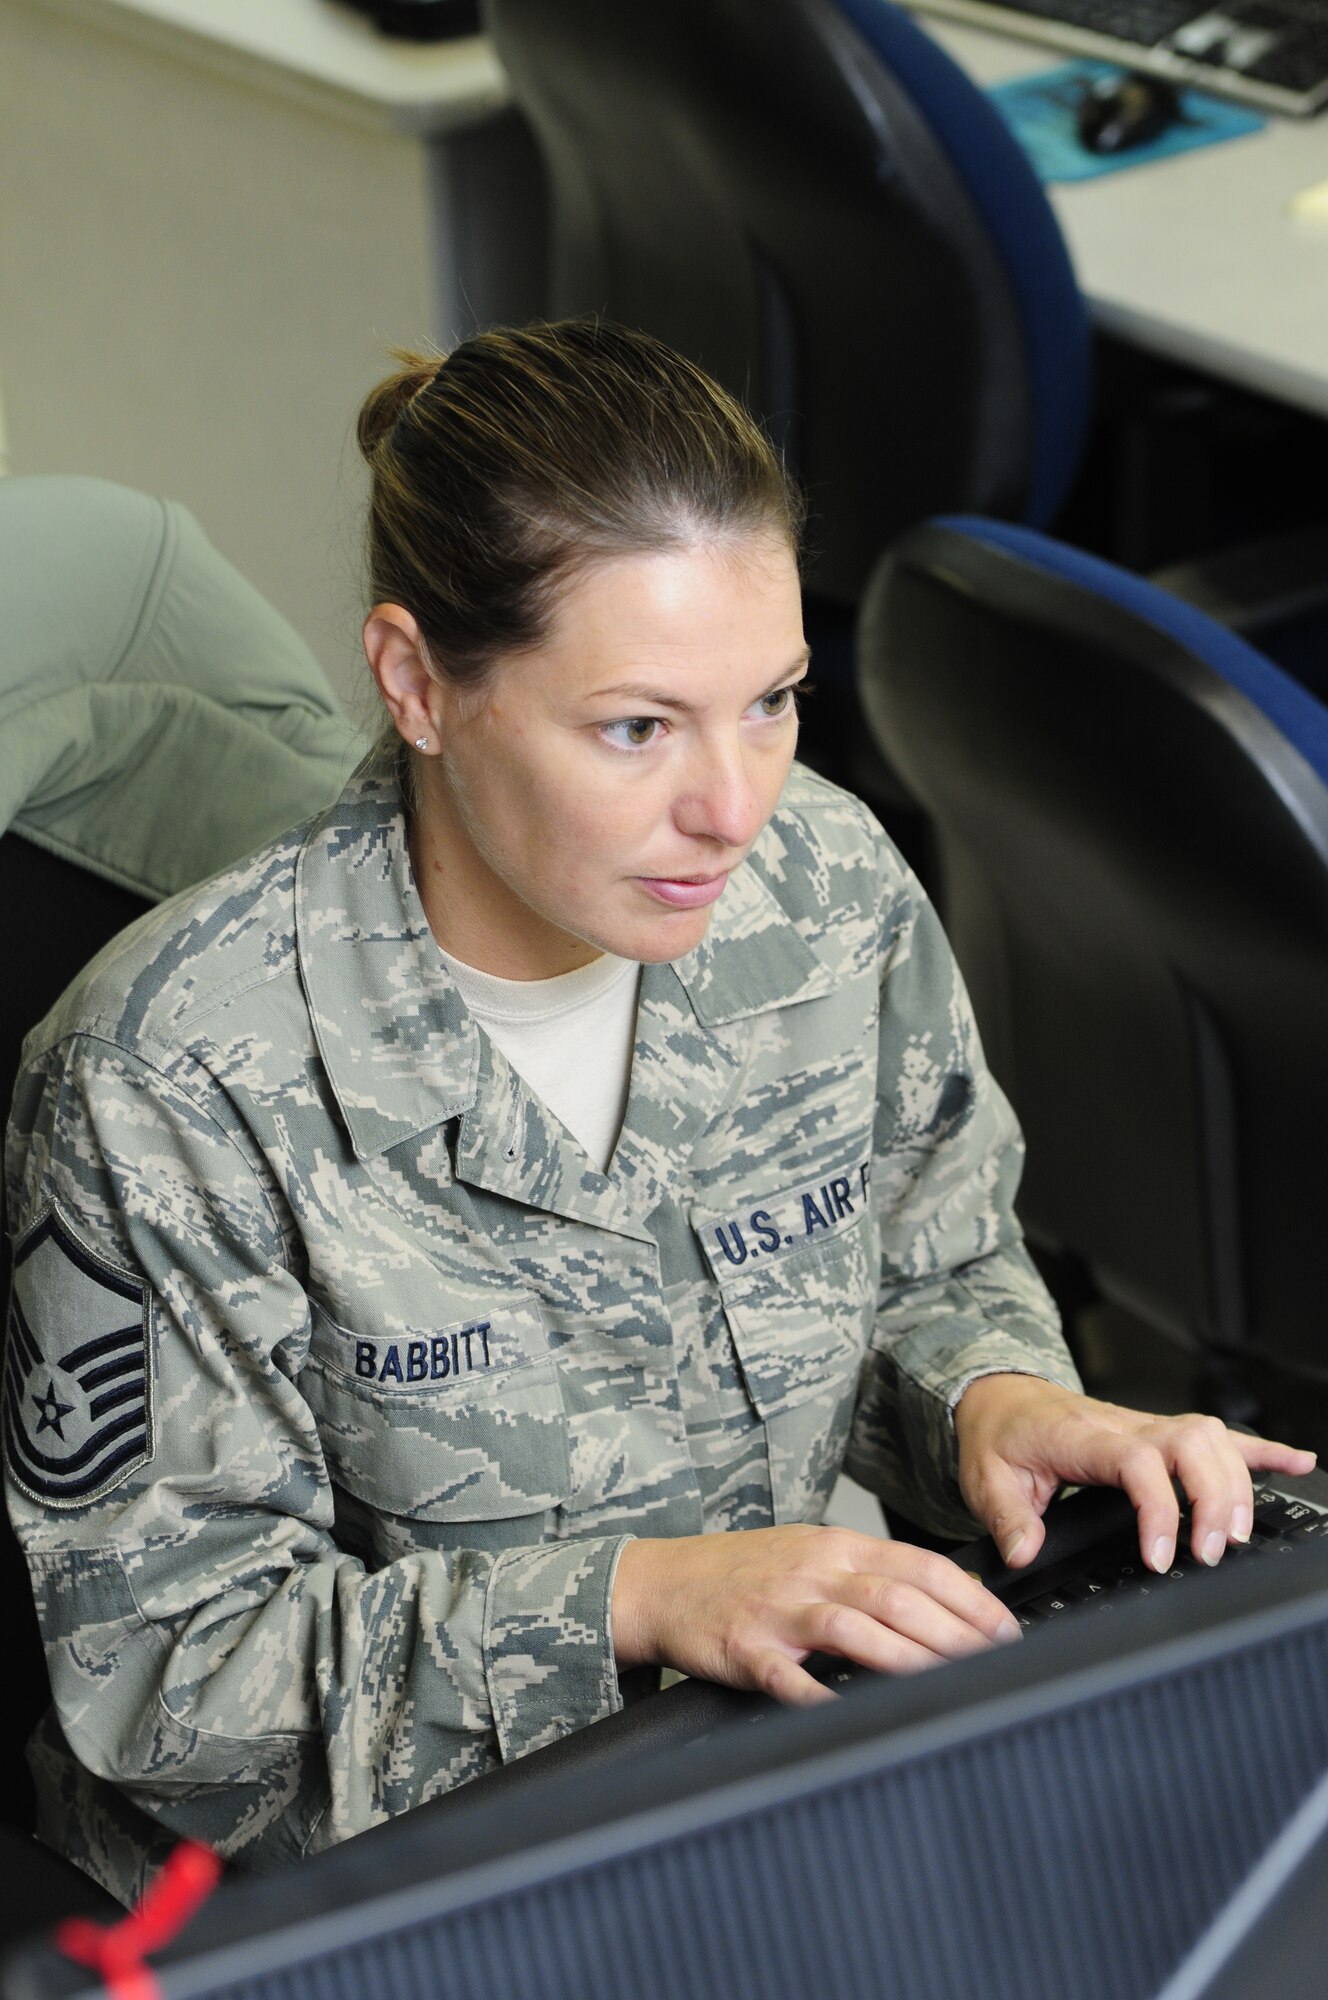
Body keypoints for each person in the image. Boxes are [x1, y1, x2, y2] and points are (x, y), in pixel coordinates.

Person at [3, 321, 1312, 1907]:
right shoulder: (175, 1073)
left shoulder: (822, 888)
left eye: (773, 702)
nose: (733, 806)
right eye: (638, 727)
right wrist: (639, 1600)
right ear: (420, 683)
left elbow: (934, 1254)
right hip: (367, 1896)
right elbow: (171, 1674)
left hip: (749, 1781)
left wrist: (999, 1404)